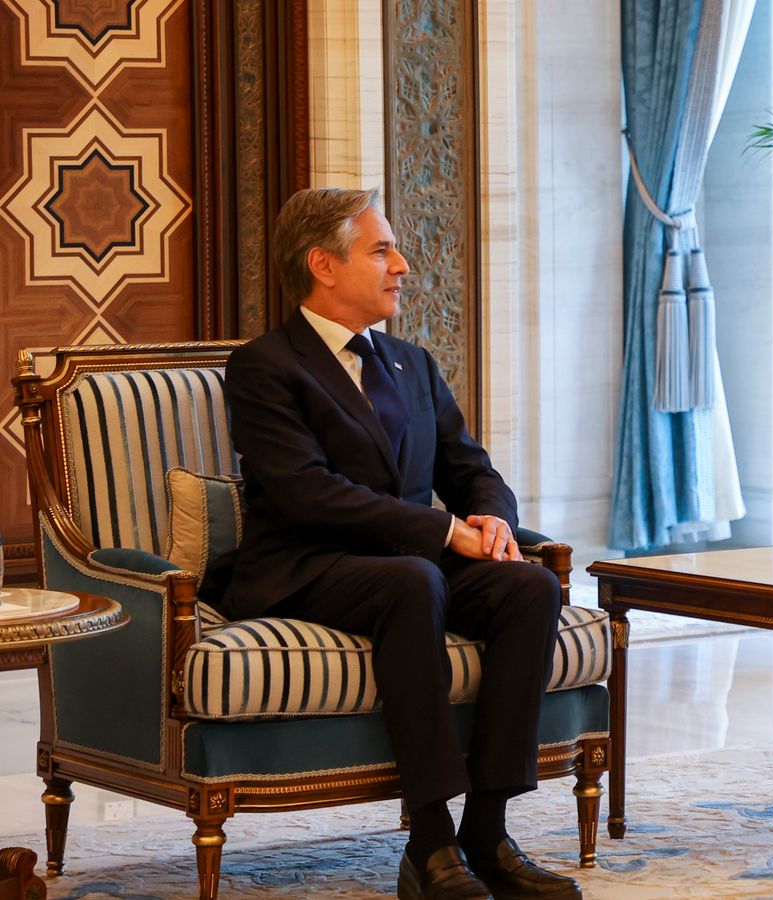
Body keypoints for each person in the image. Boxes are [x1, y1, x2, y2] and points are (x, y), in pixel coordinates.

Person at [221, 187, 581, 900]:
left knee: (530, 586)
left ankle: (487, 829)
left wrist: (492, 518)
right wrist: (446, 531)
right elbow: (306, 493)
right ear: (323, 265)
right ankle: (430, 840)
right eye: (381, 250)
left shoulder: (410, 362)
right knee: (415, 581)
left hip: (415, 562)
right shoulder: (265, 365)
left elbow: (470, 467)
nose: (403, 265)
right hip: (308, 561)